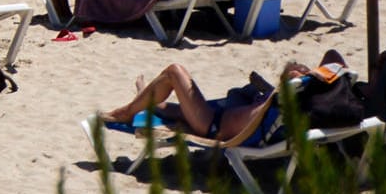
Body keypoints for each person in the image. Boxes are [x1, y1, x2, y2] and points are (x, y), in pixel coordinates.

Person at [96, 53, 347, 142]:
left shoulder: (285, 99)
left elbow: (332, 58)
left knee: (175, 71)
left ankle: (127, 111)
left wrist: (300, 79)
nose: (300, 72)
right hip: (216, 115)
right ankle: (143, 94)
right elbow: (334, 59)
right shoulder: (280, 102)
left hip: (212, 126)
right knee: (169, 108)